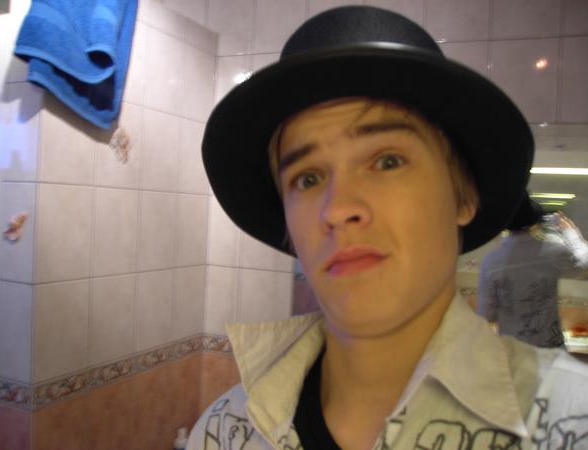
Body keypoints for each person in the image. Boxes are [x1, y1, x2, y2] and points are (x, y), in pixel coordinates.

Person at [188, 6, 588, 450]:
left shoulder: (571, 425)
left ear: (463, 197)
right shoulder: (224, 432)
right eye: (308, 178)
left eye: (388, 161)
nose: (337, 208)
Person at [477, 193, 588, 348]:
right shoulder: (553, 253)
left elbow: (487, 314)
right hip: (550, 349)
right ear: (536, 223)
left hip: (515, 350)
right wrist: (570, 231)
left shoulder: (492, 261)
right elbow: (585, 264)